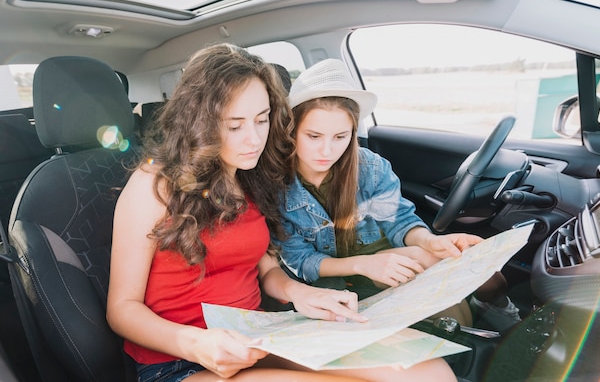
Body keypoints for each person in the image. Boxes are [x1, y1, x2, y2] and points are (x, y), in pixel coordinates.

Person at [107, 44, 457, 382]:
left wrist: (300, 293)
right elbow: (122, 309)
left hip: (261, 337)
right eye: (235, 125)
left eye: (262, 120)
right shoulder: (154, 184)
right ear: (200, 122)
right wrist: (195, 343)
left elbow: (267, 270)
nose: (254, 139)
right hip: (181, 360)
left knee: (428, 372)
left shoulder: (253, 177)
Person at [275, 58, 521, 331]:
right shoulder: (277, 186)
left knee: (483, 274)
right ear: (292, 130)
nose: (327, 151)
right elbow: (301, 261)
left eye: (340, 137)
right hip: (339, 277)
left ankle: (503, 318)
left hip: (392, 259)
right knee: (450, 306)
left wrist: (429, 241)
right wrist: (366, 265)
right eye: (314, 136)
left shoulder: (370, 167)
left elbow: (399, 221)